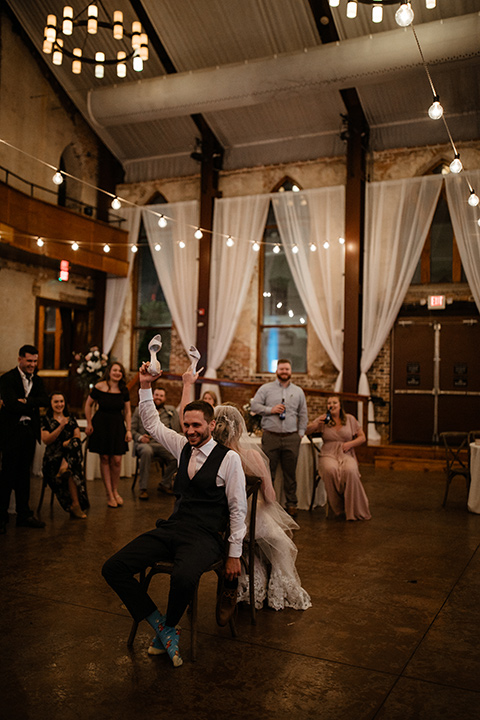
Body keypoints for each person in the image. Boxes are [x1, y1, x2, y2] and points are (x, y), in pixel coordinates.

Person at [102, 361, 247, 668]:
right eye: (187, 425)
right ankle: (163, 626)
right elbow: (152, 424)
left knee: (182, 577)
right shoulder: (181, 445)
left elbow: (237, 509)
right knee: (113, 567)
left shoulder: (229, 459)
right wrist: (144, 385)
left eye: (197, 426)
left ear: (210, 425)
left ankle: (168, 626)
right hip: (174, 527)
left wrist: (234, 554)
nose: (191, 431)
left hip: (206, 537)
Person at [213, 402, 312, 611]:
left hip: (218, 525)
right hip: (248, 522)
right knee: (277, 541)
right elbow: (269, 497)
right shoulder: (252, 457)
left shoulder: (209, 456)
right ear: (240, 429)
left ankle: (247, 581)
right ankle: (272, 587)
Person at [0, 344, 49, 533]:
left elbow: (45, 400)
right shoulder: (7, 379)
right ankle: (1, 516)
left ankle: (24, 514)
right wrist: (30, 405)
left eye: (35, 361)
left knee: (24, 475)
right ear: (20, 359)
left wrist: (27, 401)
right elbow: (11, 405)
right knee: (7, 475)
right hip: (11, 432)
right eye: (29, 361)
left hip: (29, 432)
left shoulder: (37, 380)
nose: (32, 364)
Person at [250, 359, 308, 517]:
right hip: (271, 436)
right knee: (268, 473)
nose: (284, 372)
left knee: (290, 474)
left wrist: (300, 433)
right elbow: (254, 406)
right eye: (281, 369)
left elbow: (303, 414)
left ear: (290, 371)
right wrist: (270, 409)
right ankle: (267, 505)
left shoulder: (298, 391)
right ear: (277, 371)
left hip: (291, 437)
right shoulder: (266, 389)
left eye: (287, 369)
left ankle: (291, 504)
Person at [306, 396, 371, 521]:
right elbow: (306, 431)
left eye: (334, 402)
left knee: (350, 471)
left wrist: (350, 444)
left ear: (340, 405)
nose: (332, 405)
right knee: (331, 470)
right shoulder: (324, 420)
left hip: (346, 452)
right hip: (328, 453)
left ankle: (353, 510)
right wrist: (316, 423)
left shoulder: (350, 419)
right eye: (329, 403)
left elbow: (362, 437)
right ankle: (337, 509)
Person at [84, 362, 132, 508]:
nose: (117, 373)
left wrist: (128, 429)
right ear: (109, 372)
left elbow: (128, 411)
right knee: (104, 457)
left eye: (120, 371)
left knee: (117, 460)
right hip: (101, 424)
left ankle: (115, 490)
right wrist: (89, 423)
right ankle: (109, 494)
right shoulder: (99, 387)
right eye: (115, 370)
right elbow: (88, 405)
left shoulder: (124, 390)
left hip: (117, 425)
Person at [41, 392, 89, 519]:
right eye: (56, 402)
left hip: (69, 456)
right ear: (50, 404)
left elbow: (77, 437)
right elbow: (46, 440)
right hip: (53, 459)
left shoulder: (71, 418)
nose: (59, 404)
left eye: (61, 401)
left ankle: (64, 468)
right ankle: (75, 504)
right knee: (73, 469)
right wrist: (60, 427)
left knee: (74, 448)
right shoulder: (46, 420)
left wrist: (66, 443)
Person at [131, 385, 182, 500]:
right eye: (156, 395)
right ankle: (143, 489)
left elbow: (176, 430)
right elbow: (132, 429)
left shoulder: (170, 411)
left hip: (162, 445)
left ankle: (165, 483)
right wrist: (140, 438)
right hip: (145, 444)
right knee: (146, 451)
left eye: (161, 396)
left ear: (165, 398)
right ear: (152, 396)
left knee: (177, 455)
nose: (158, 398)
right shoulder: (139, 410)